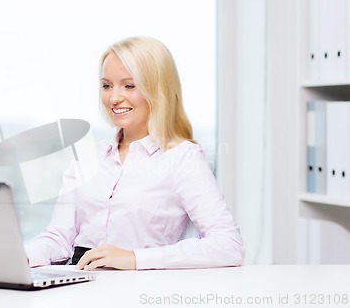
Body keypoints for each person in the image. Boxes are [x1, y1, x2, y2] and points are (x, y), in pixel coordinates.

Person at [25, 36, 244, 270]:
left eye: (129, 85)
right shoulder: (89, 157)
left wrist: (134, 258)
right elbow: (59, 236)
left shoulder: (182, 158)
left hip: (141, 286)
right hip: (79, 281)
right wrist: (24, 256)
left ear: (158, 90)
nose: (114, 97)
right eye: (107, 85)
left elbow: (228, 246)